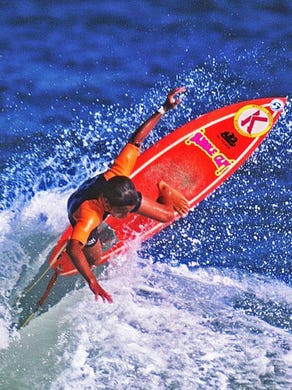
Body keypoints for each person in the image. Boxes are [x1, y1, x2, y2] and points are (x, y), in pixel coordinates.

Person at [66, 87, 189, 303]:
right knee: (94, 259)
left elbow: (136, 140)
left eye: (128, 209)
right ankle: (98, 237)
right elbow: (73, 247)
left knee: (168, 216)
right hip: (79, 205)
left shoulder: (119, 171)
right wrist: (92, 281)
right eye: (123, 212)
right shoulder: (90, 216)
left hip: (117, 192)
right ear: (107, 206)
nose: (127, 215)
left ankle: (165, 189)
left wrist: (164, 108)